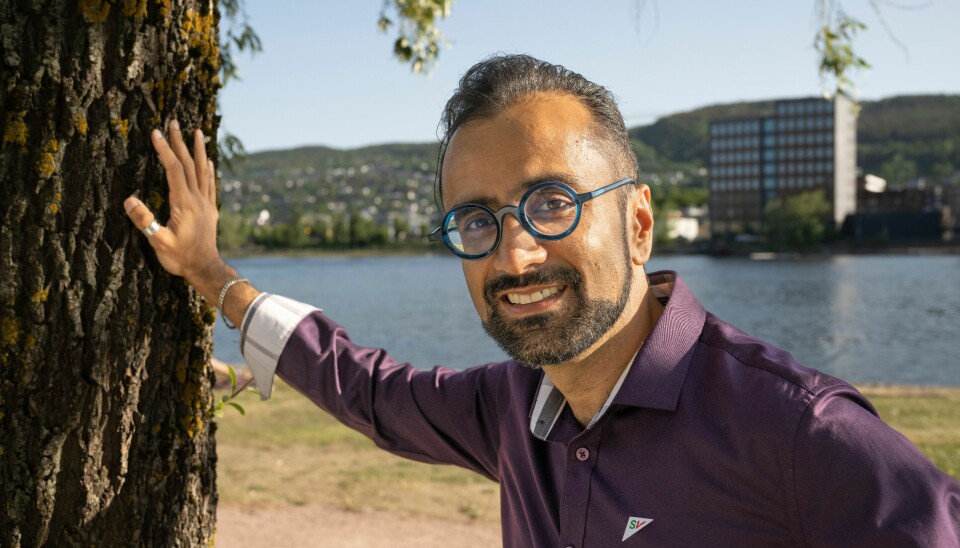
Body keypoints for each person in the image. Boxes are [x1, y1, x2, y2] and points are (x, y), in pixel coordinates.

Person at [124, 55, 960, 547]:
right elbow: (364, 387)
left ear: (638, 224)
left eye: (552, 204)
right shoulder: (510, 409)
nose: (515, 253)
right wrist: (210, 277)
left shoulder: (802, 435)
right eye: (476, 221)